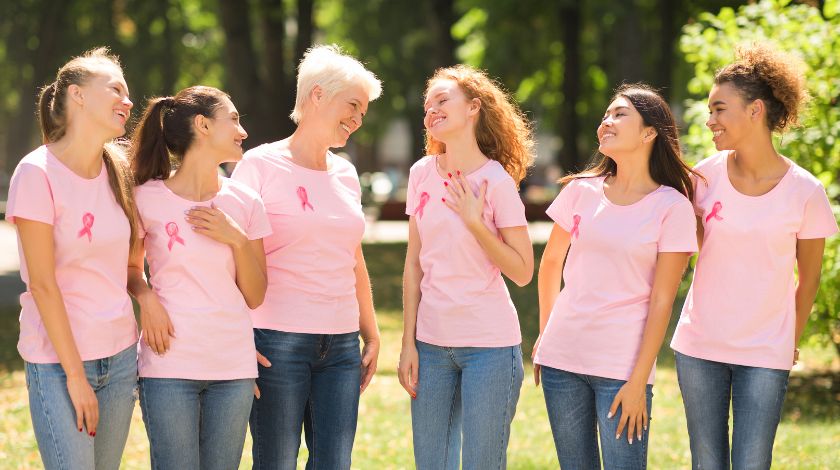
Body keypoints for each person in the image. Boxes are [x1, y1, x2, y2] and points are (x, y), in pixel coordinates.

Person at [670, 44, 839, 470]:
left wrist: (789, 339)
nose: (709, 120)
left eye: (719, 109)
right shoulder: (703, 177)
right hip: (699, 346)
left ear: (755, 110)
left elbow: (810, 278)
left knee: (752, 463)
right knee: (707, 463)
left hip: (765, 352)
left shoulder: (806, 192)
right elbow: (675, 248)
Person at [230, 44, 382, 470]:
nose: (357, 118)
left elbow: (353, 259)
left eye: (363, 111)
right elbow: (232, 258)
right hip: (277, 342)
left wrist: (369, 333)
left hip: (340, 346)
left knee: (335, 462)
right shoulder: (258, 165)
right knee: (276, 461)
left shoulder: (347, 174)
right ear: (317, 95)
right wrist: (239, 336)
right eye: (353, 104)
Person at [533, 84, 699, 470]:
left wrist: (640, 379)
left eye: (619, 114)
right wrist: (546, 334)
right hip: (562, 360)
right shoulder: (580, 191)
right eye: (605, 114)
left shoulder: (672, 207)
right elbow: (550, 263)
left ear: (649, 132)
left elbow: (663, 300)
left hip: (622, 369)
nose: (606, 121)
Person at [5, 47, 138, 469]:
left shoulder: (119, 169)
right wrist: (75, 377)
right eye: (115, 88)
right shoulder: (35, 173)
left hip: (119, 359)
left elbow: (135, 263)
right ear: (77, 95)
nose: (128, 100)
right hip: (59, 364)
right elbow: (42, 284)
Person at [126, 85, 271, 469]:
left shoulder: (245, 202)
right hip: (168, 364)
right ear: (203, 125)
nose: (243, 131)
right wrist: (146, 298)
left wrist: (236, 240)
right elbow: (128, 269)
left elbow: (255, 295)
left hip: (232, 368)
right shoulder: (145, 198)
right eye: (234, 120)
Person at [398, 65, 535, 470]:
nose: (431, 111)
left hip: (490, 348)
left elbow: (524, 271)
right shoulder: (421, 172)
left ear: (474, 107)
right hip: (431, 345)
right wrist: (408, 342)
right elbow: (413, 264)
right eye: (427, 106)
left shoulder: (496, 182)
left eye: (442, 101)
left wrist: (475, 222)